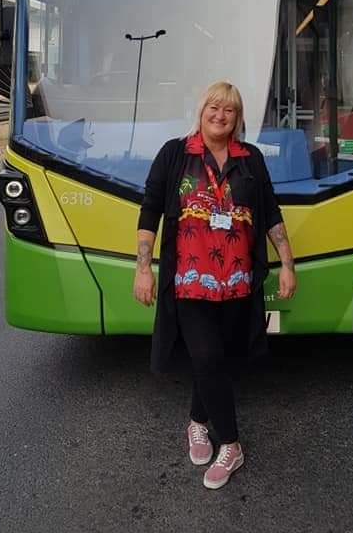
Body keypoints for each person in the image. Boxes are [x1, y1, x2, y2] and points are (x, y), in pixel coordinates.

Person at [134, 80, 296, 490]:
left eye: (229, 110)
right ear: (201, 110)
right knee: (205, 357)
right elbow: (151, 209)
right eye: (214, 108)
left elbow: (271, 213)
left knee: (220, 359)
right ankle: (233, 445)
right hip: (189, 281)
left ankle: (196, 422)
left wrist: (287, 264)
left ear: (237, 118)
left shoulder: (251, 159)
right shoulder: (175, 154)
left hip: (238, 283)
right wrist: (143, 268)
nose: (220, 116)